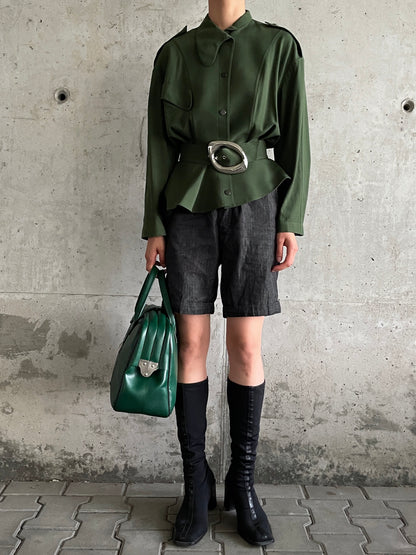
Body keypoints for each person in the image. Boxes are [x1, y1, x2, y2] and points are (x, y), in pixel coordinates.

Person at [141, 0, 310, 548]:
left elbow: (297, 138)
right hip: (187, 208)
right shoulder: (174, 53)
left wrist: (290, 219)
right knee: (190, 342)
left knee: (245, 346)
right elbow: (159, 146)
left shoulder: (279, 46)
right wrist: (154, 226)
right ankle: (196, 485)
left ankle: (243, 482)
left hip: (257, 204)